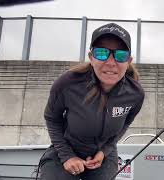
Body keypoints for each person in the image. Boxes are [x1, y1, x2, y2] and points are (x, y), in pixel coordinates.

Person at [39, 23, 145, 180]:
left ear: (128, 60)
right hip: (66, 149)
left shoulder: (136, 93)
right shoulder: (67, 83)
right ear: (91, 57)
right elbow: (52, 118)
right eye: (102, 53)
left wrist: (105, 151)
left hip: (103, 155)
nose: (110, 62)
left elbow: (125, 124)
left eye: (120, 55)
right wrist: (67, 156)